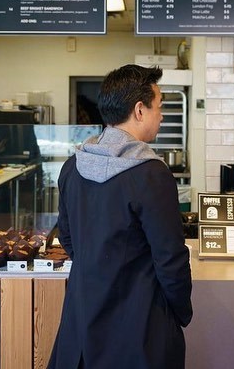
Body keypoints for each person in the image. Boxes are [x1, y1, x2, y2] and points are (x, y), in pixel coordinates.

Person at [48, 64, 193, 369]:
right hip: (138, 326)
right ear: (140, 110)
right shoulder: (152, 174)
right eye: (160, 107)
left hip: (82, 318)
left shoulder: (73, 167)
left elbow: (68, 237)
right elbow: (171, 259)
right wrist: (182, 311)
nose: (162, 116)